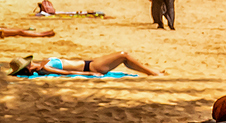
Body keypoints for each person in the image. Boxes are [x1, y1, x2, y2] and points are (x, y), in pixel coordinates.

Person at [10, 51, 162, 76]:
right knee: (123, 55)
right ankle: (152, 72)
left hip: (91, 62)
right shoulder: (45, 68)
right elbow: (67, 73)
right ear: (28, 67)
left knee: (123, 58)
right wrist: (89, 74)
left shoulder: (43, 63)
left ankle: (151, 71)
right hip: (91, 67)